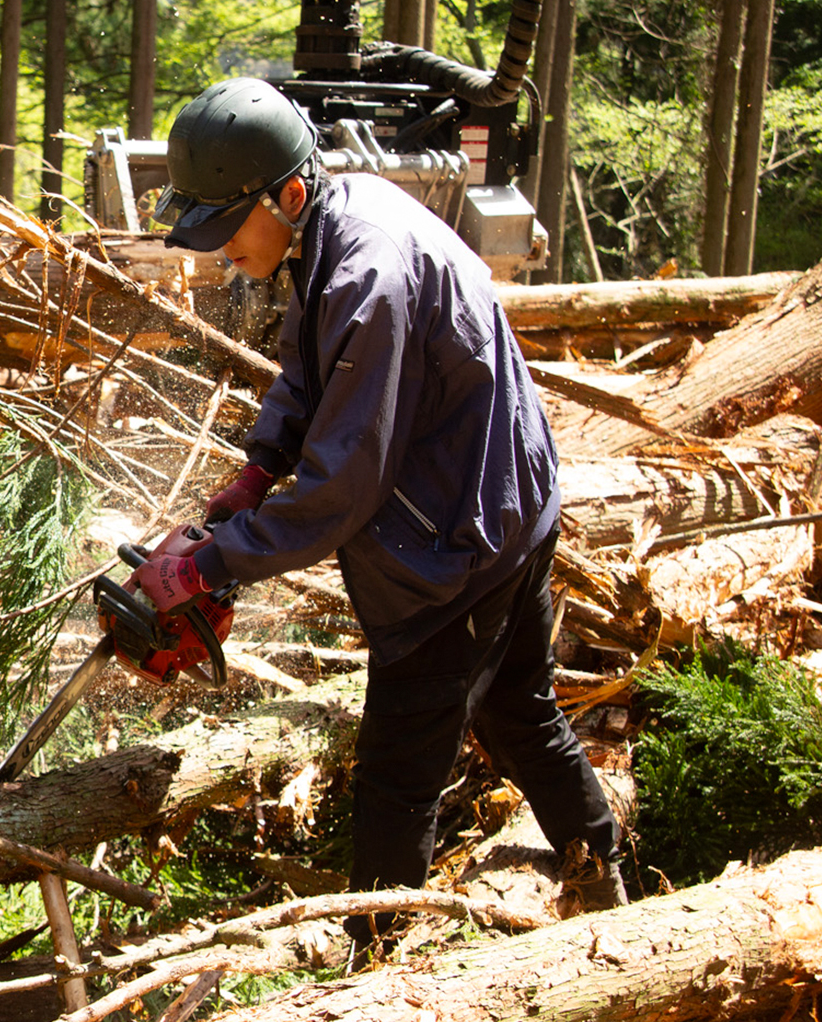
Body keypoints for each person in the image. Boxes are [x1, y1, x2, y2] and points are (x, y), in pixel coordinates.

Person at [126, 77, 627, 950]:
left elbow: (341, 492)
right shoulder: (333, 222)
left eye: (223, 229)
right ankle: (612, 876)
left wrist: (209, 566)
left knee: (398, 779)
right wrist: (257, 467)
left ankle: (376, 970)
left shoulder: (369, 270)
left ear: (286, 193)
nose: (216, 254)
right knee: (520, 712)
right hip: (501, 498)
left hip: (461, 539)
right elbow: (307, 370)